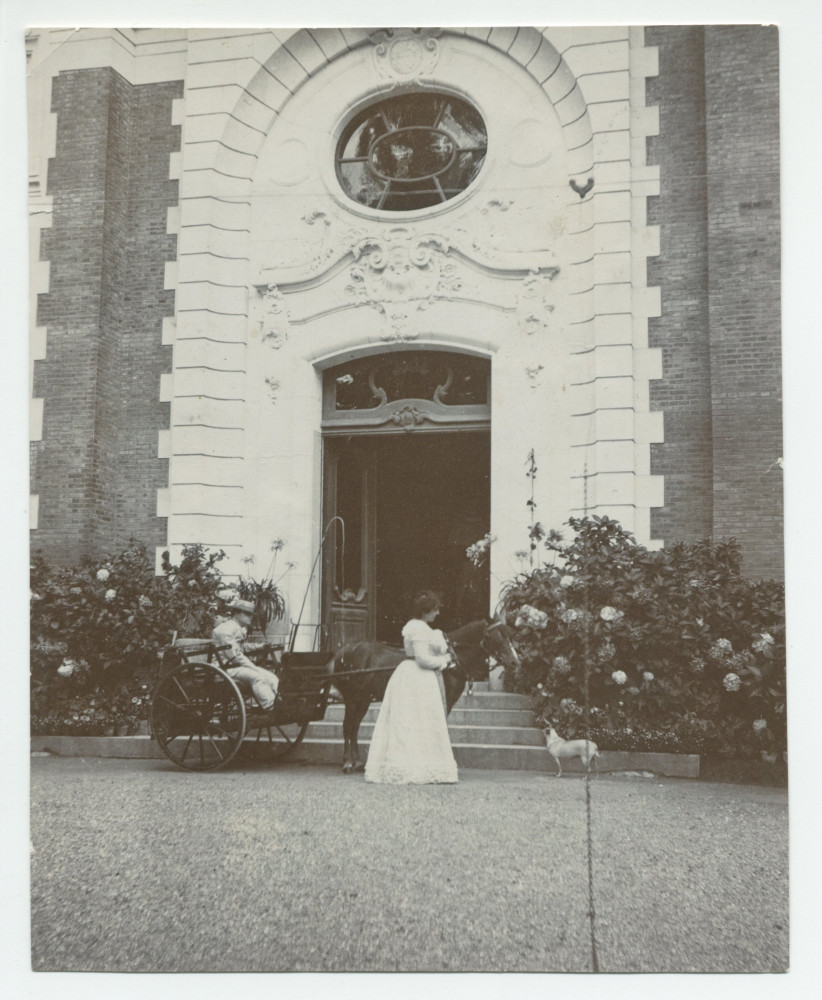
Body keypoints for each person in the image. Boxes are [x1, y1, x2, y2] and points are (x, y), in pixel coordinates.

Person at [364, 590, 459, 785]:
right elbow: (422, 659)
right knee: (413, 721)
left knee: (416, 721)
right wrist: (445, 660)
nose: (437, 614)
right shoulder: (418, 629)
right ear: (426, 611)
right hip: (416, 677)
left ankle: (420, 763)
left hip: (416, 676)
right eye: (435, 610)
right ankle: (412, 767)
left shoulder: (419, 627)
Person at [211, 600, 279, 711]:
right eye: (247, 614)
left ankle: (279, 703)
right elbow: (235, 655)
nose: (251, 617)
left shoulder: (237, 628)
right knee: (258, 677)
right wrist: (253, 667)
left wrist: (259, 646)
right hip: (225, 667)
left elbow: (240, 647)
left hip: (235, 666)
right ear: (237, 614)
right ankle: (270, 707)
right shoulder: (225, 630)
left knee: (272, 677)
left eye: (251, 614)